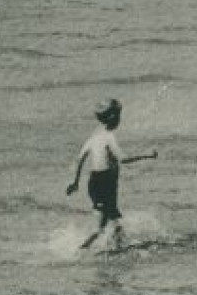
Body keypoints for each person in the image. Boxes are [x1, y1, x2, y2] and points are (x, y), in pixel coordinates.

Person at [65, 98, 157, 252]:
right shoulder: (109, 138)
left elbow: (80, 159)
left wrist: (75, 183)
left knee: (116, 224)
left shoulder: (93, 139)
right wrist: (146, 155)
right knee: (99, 229)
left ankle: (117, 253)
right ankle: (76, 252)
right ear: (114, 119)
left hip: (95, 182)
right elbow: (123, 159)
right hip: (105, 183)